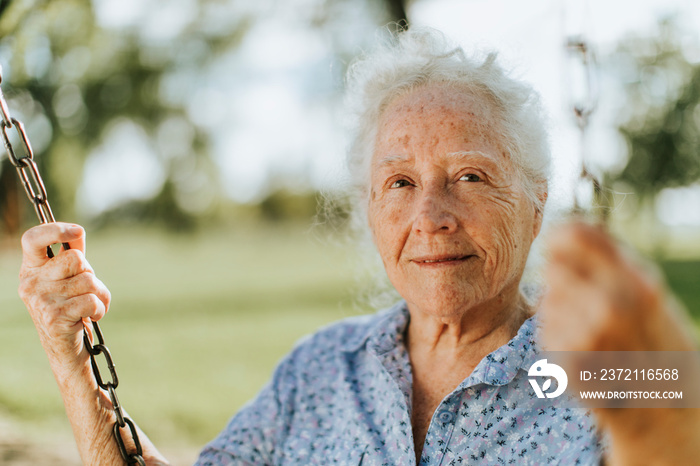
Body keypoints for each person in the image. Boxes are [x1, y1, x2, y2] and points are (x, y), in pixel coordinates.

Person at [17, 27, 699, 465]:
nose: (430, 216)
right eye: (399, 183)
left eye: (469, 176)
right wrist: (72, 360)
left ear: (536, 199)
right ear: (370, 209)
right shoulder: (318, 372)